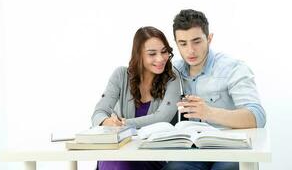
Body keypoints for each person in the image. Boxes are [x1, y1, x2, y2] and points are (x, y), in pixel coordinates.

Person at [161, 9, 266, 170]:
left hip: (231, 149)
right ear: (176, 44)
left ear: (209, 39)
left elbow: (257, 117)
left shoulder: (233, 68)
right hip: (193, 152)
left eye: (196, 41)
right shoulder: (173, 72)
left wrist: (209, 113)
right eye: (183, 43)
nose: (190, 50)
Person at [91, 26, 181, 170]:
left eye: (164, 52)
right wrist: (106, 121)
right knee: (118, 162)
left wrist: (124, 123)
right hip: (119, 152)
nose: (160, 58)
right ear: (139, 54)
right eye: (152, 54)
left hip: (149, 156)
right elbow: (98, 114)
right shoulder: (120, 75)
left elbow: (161, 117)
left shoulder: (172, 78)